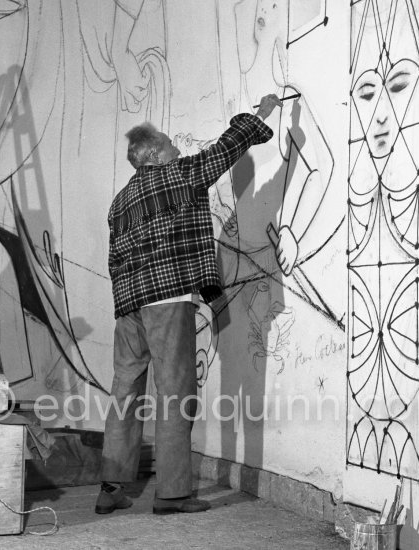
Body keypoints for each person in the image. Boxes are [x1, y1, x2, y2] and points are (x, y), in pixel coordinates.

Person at [96, 93, 282, 515]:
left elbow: (114, 261)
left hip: (128, 309)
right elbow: (225, 149)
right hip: (165, 301)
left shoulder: (118, 202)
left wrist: (126, 306)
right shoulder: (176, 175)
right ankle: (173, 493)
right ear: (157, 154)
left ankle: (110, 488)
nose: (178, 147)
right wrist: (260, 116)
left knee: (125, 391)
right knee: (175, 393)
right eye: (170, 143)